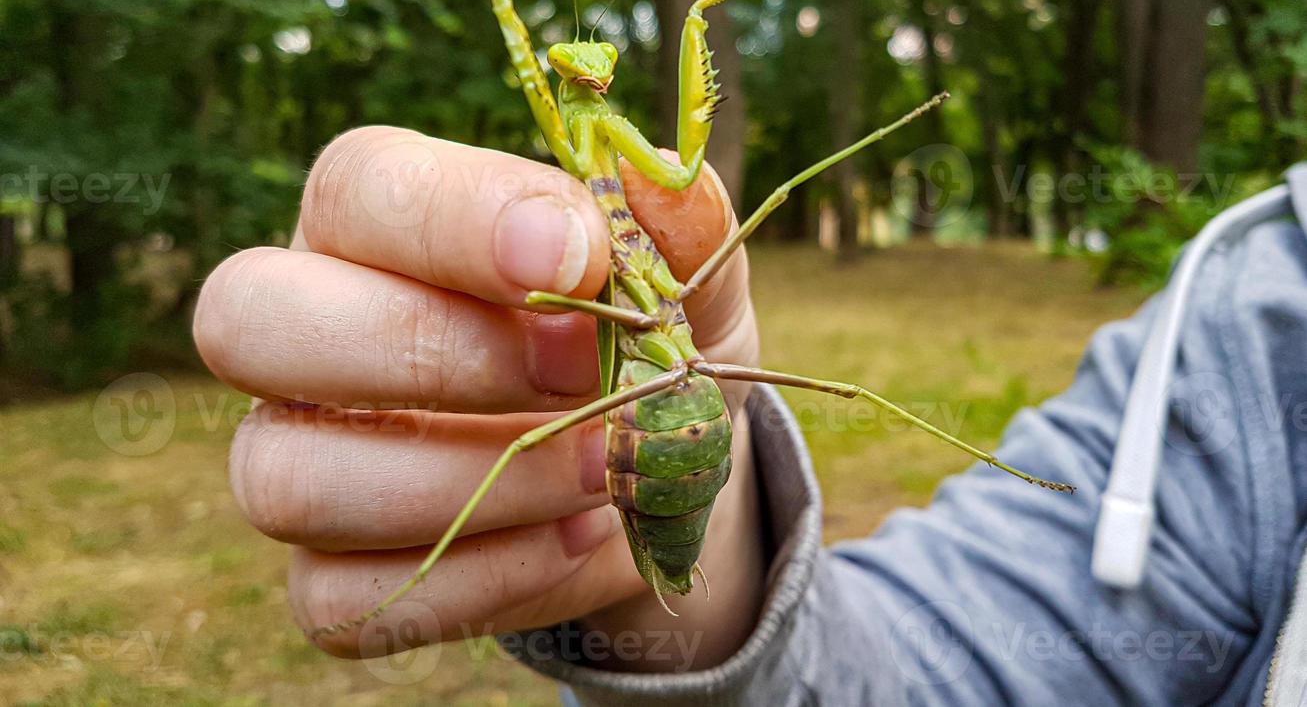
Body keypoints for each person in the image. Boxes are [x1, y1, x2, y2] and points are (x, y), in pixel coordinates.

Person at [193, 125, 1307, 705]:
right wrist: (678, 587)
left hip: (652, 405)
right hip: (657, 418)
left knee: (833, 377)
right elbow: (927, 675)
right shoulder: (1258, 328)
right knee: (533, 426)